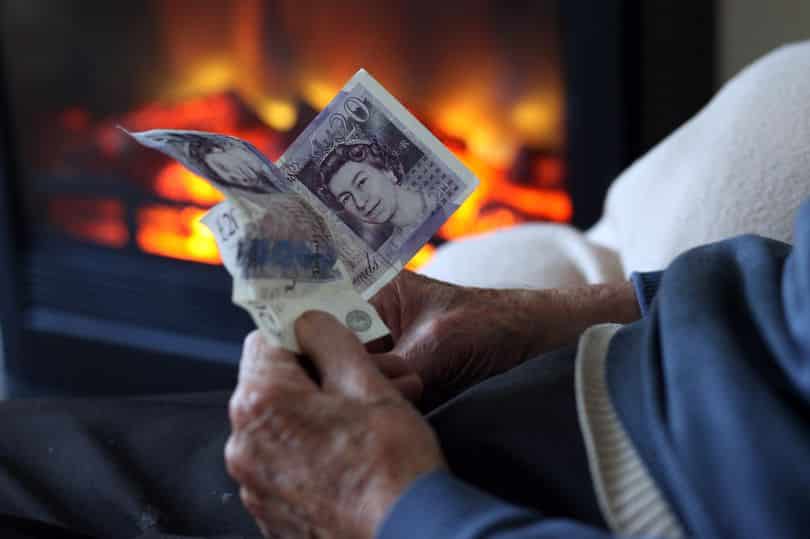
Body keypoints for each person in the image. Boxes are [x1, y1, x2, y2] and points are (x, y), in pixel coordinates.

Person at [317, 139, 437, 239]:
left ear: (388, 170)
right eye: (346, 198)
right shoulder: (395, 254)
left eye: (361, 182)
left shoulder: (445, 204)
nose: (360, 203)